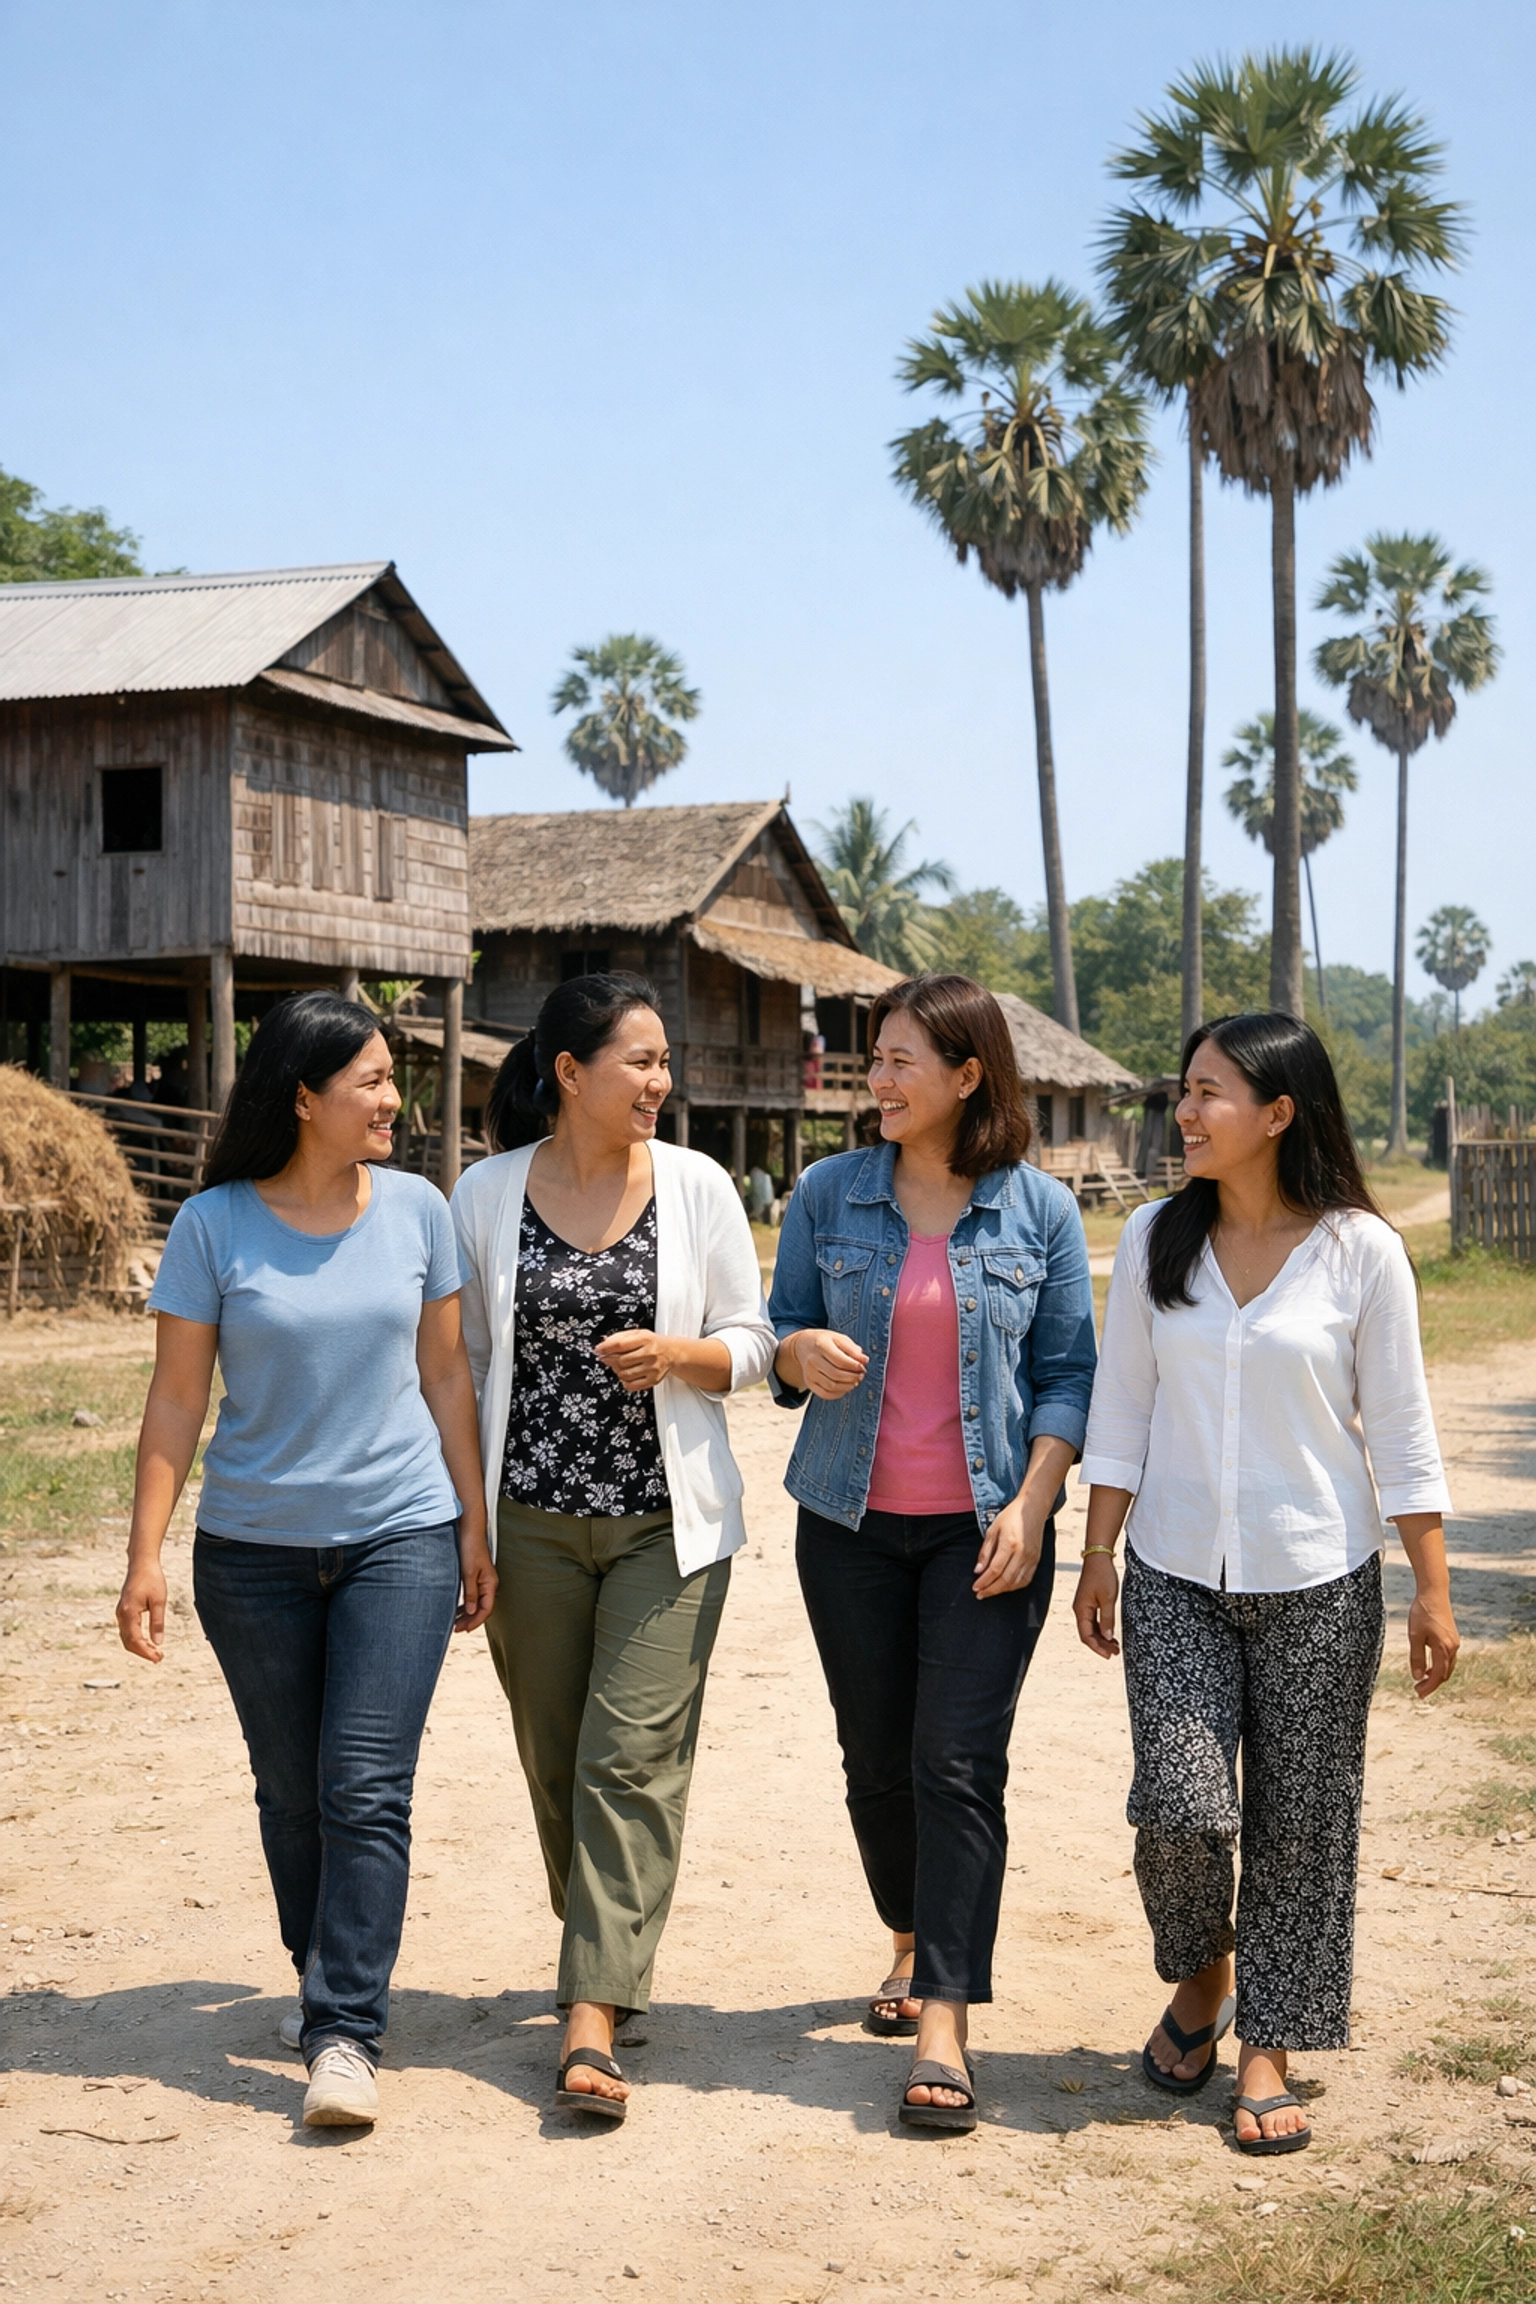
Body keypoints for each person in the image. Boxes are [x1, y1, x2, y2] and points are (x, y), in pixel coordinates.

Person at [1074, 1013, 1458, 2156]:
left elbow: (1401, 1427)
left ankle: (1269, 2048)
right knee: (1181, 1809)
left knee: (1304, 1823)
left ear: (1279, 1113)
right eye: (1181, 1092)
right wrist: (1096, 1555)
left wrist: (1434, 1591)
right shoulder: (1153, 1239)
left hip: (1321, 1574)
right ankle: (1202, 1981)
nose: (1183, 1114)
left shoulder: (1359, 1252)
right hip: (1174, 1571)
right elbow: (1122, 1411)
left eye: (1208, 1094)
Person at [117, 992, 495, 2131]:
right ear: (303, 1098)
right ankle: (319, 1975)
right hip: (252, 1554)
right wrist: (143, 1556)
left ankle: (344, 2032)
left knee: (365, 1786)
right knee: (293, 1792)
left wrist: (472, 1523)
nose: (395, 1101)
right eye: (372, 1082)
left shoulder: (421, 1211)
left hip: (401, 1537)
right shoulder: (214, 1225)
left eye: (393, 1079)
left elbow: (446, 1379)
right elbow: (177, 1401)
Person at [768, 974, 1096, 2131]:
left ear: (968, 1075)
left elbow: (1067, 1377)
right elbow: (777, 1334)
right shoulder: (826, 1194)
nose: (881, 1077)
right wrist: (796, 1351)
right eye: (877, 1056)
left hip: (988, 1534)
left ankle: (948, 2020)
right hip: (846, 1526)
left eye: (904, 1058)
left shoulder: (1038, 1214)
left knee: (956, 1763)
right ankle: (908, 1937)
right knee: (877, 1758)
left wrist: (1034, 1503)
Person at [452, 973, 776, 2123]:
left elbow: (756, 1339)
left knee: (626, 1759)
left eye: (664, 1060)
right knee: (555, 1760)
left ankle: (590, 2012)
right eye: (638, 1061)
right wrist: (470, 1524)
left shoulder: (698, 1187)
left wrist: (681, 1358)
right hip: (528, 1523)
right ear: (570, 1073)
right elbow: (465, 1368)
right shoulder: (484, 1193)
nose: (660, 1081)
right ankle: (609, 1946)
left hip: (666, 1527)